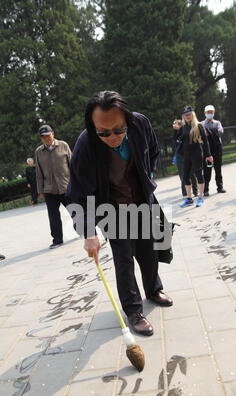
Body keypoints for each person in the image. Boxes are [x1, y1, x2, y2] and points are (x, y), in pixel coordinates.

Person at [66, 90, 174, 337]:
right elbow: (76, 194)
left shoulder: (140, 124)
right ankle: (134, 310)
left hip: (140, 200)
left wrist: (146, 177)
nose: (112, 137)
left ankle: (153, 289)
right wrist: (88, 233)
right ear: (93, 127)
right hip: (110, 208)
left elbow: (153, 151)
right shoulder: (85, 145)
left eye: (118, 130)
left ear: (127, 119)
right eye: (102, 132)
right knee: (124, 257)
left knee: (149, 249)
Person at [35, 125, 72, 249]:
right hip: (49, 189)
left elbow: (72, 165)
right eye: (43, 137)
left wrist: (76, 183)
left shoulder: (63, 145)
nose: (46, 139)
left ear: (53, 134)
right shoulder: (39, 152)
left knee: (76, 210)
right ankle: (57, 239)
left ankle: (85, 232)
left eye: (48, 135)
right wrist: (40, 190)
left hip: (66, 186)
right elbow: (38, 172)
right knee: (53, 216)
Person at [174, 106, 212, 208]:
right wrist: (175, 130)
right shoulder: (182, 127)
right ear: (183, 116)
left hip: (197, 154)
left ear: (192, 114)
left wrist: (208, 155)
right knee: (185, 177)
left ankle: (200, 197)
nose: (187, 116)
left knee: (199, 174)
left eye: (189, 114)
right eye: (185, 115)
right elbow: (176, 141)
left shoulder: (198, 126)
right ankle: (189, 199)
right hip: (186, 155)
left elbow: (205, 141)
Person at [202, 105, 226, 196]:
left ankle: (220, 187)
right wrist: (213, 133)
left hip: (217, 148)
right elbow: (203, 134)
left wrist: (210, 132)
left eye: (211, 112)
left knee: (218, 168)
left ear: (214, 112)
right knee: (207, 170)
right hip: (207, 150)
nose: (209, 114)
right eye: (208, 112)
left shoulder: (217, 123)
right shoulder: (201, 124)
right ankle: (205, 189)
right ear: (205, 113)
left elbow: (220, 132)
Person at [172, 119, 198, 198]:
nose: (177, 125)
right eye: (175, 124)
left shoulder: (186, 131)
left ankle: (195, 191)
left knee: (192, 174)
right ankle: (185, 193)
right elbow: (175, 144)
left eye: (179, 124)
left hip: (189, 156)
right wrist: (175, 131)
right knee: (183, 176)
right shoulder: (175, 134)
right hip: (180, 158)